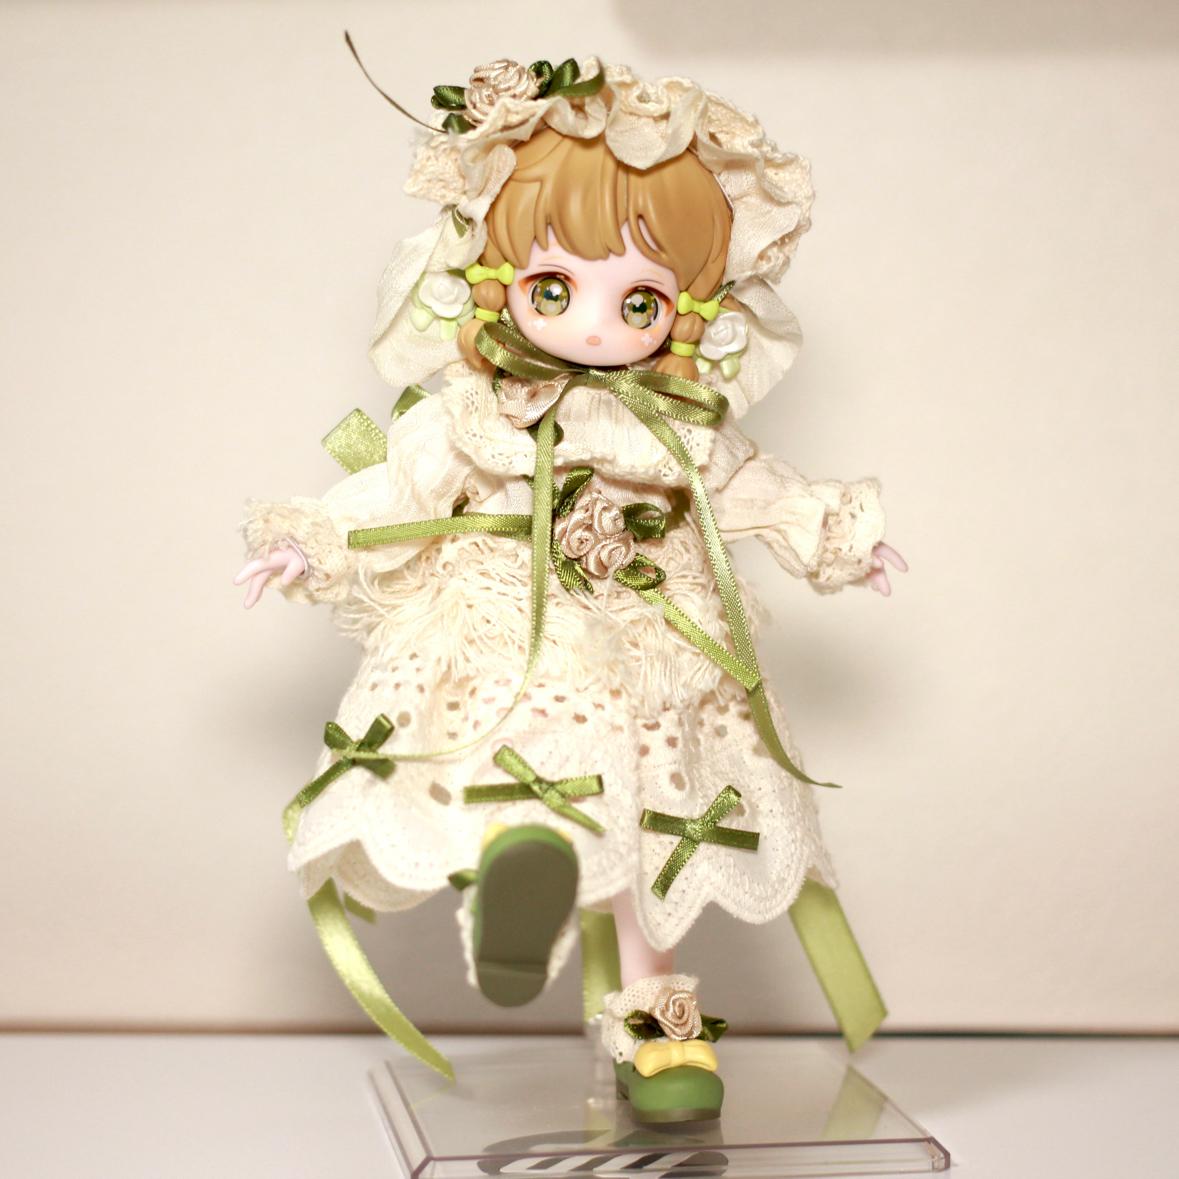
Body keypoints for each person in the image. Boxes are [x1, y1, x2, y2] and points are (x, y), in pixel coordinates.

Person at [234, 56, 907, 1124]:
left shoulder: (676, 421)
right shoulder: (474, 411)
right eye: (556, 288)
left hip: (653, 637)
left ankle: (651, 1023)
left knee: (650, 829)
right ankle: (524, 886)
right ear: (493, 275)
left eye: (637, 299)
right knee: (519, 751)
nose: (595, 326)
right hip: (512, 621)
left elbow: (749, 488)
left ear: (688, 309)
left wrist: (832, 538)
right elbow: (399, 489)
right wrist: (312, 545)